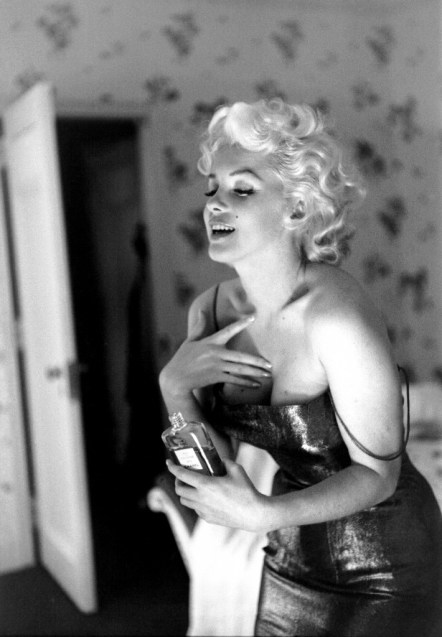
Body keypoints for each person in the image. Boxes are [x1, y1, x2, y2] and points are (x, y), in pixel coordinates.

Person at [159, 98, 442, 636]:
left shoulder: (337, 318)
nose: (215, 205)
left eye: (242, 189)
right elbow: (218, 467)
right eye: (212, 189)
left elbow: (377, 476)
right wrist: (174, 390)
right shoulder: (210, 312)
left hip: (384, 564)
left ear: (295, 209)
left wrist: (262, 514)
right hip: (292, 548)